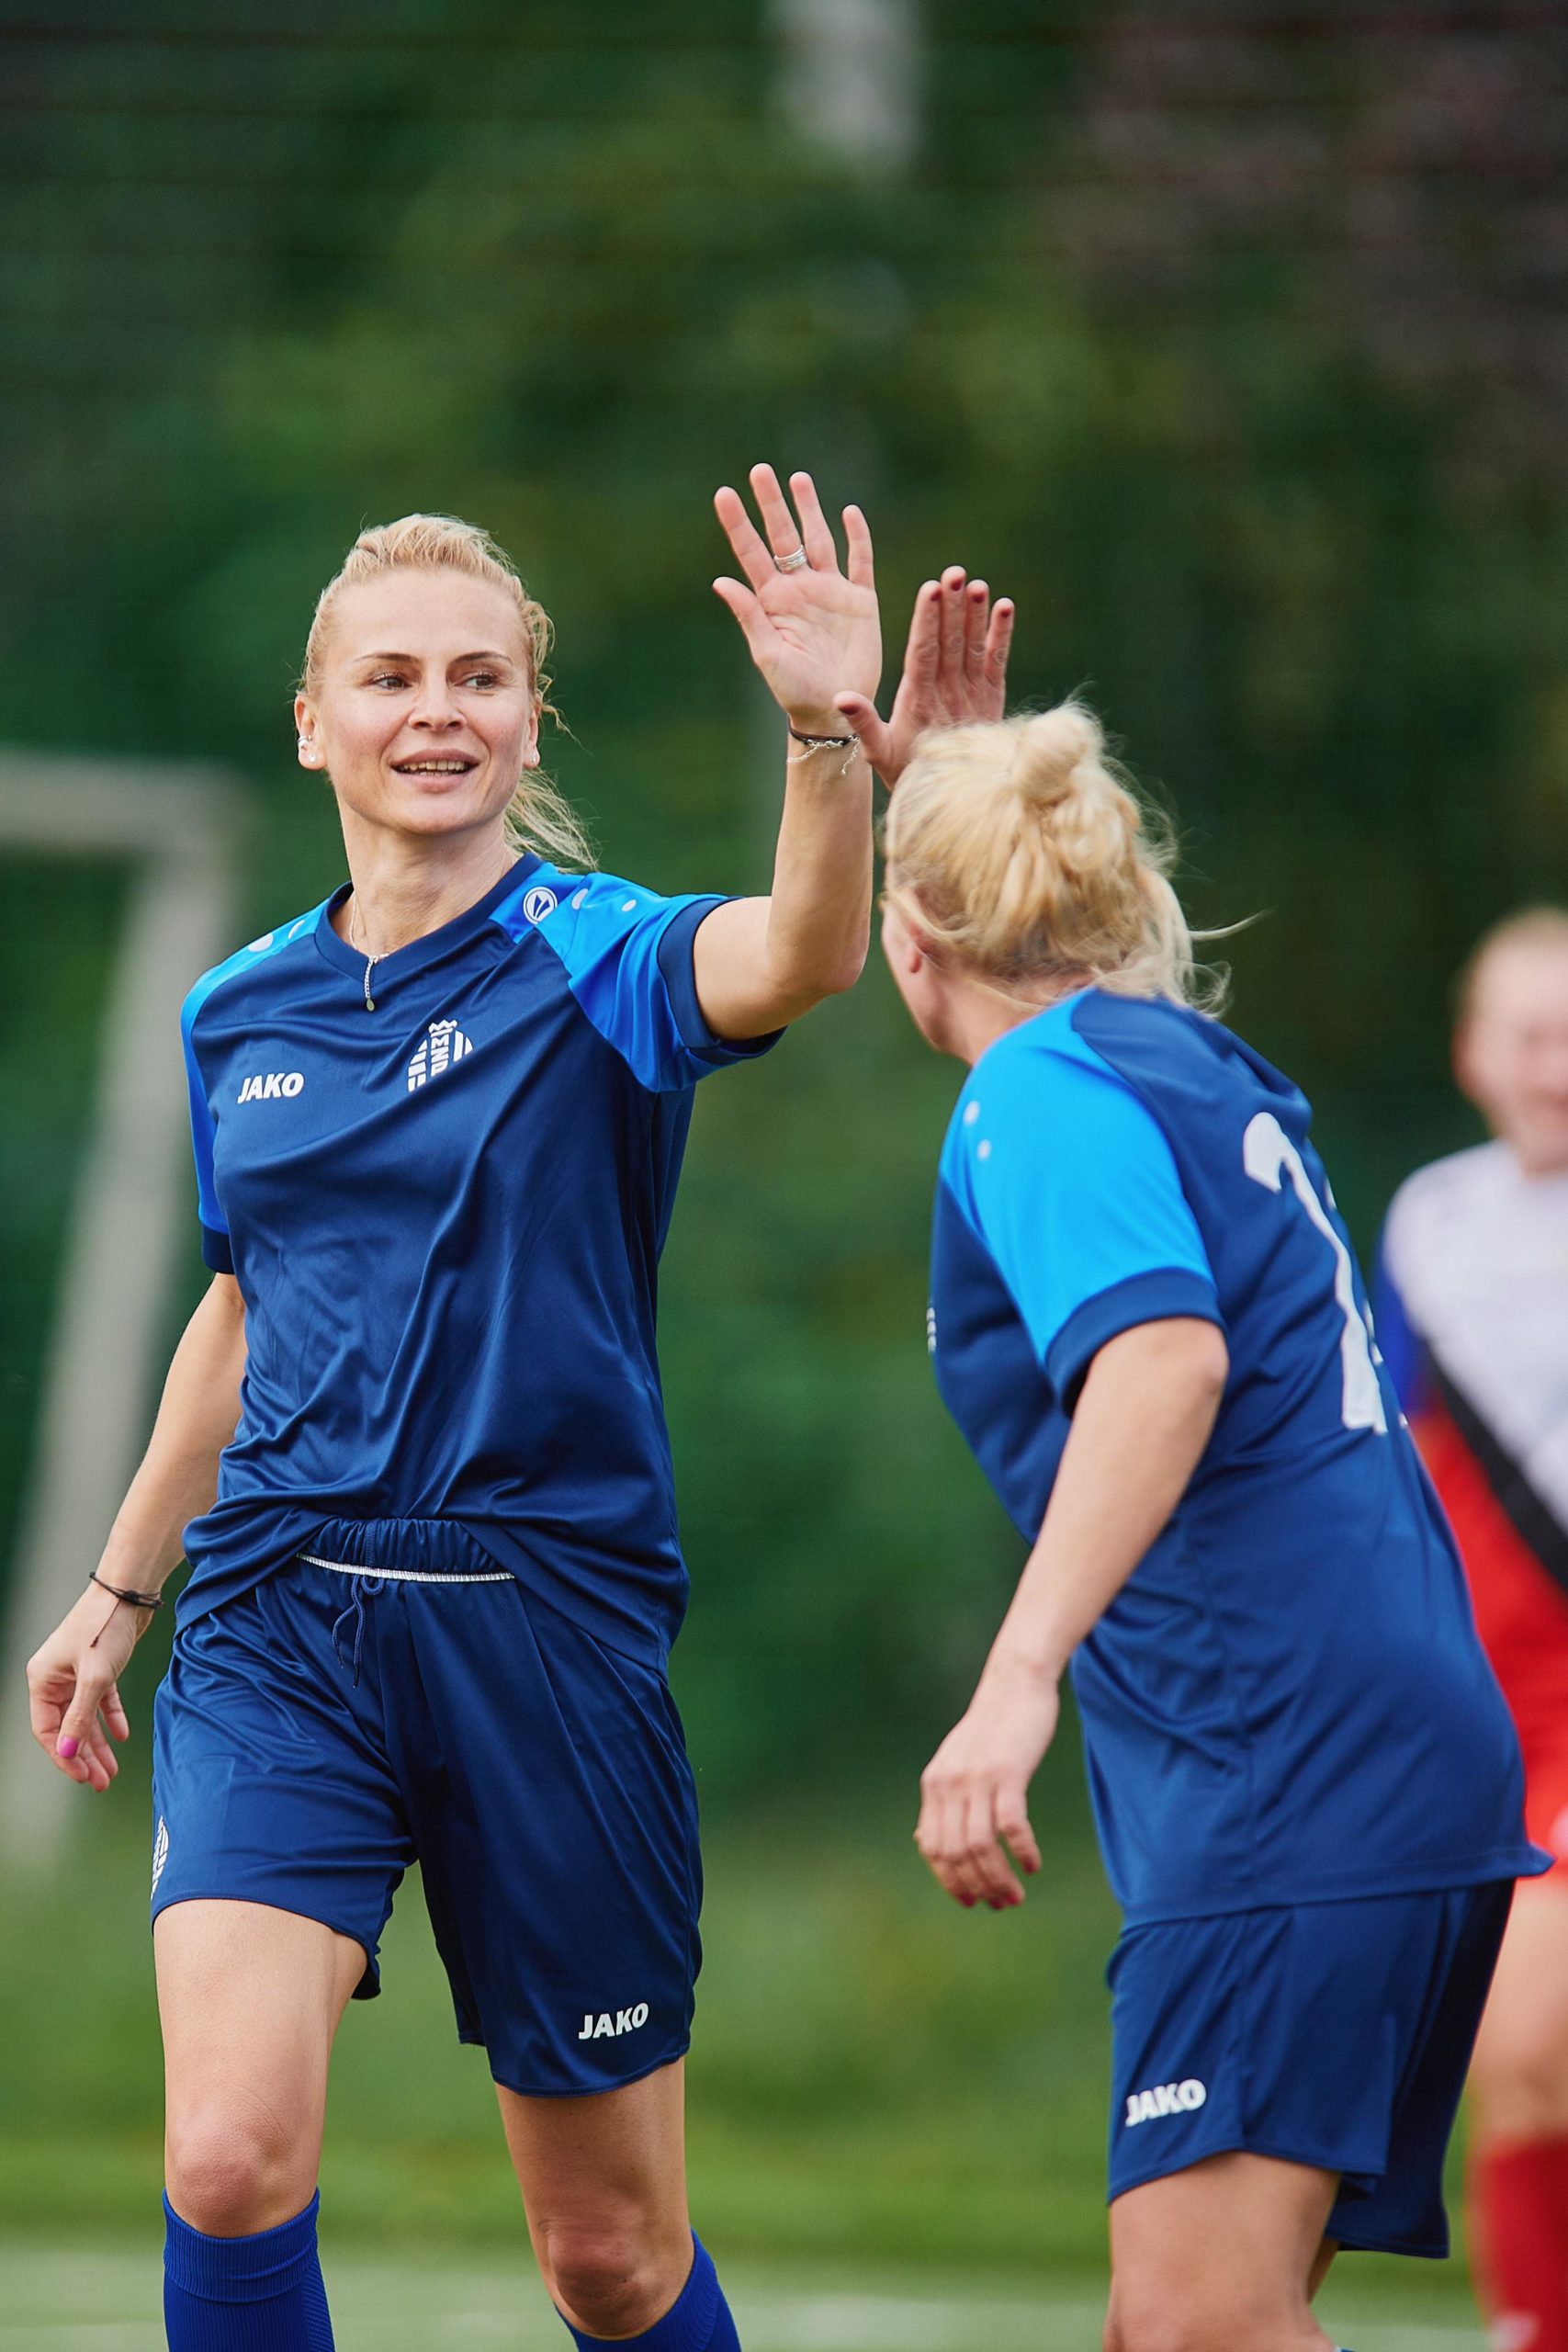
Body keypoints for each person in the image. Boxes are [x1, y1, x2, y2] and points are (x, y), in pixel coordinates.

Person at [22, 475, 1009, 2352]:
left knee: (609, 2256)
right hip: (280, 1615)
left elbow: (802, 952)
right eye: (389, 676)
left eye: (478, 676)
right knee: (225, 2155)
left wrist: (824, 734)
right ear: (311, 720)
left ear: (529, 720)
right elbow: (244, 1305)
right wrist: (117, 1587)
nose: (435, 709)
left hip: (544, 1625)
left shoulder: (597, 953)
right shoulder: (240, 1007)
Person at [856, 695, 1549, 2352]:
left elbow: (1165, 1363)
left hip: (1289, 1768)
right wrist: (954, 789)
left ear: (908, 940)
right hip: (1388, 1744)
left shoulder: (1037, 1091)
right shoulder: (1178, 1058)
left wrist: (1017, 1676)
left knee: (1199, 2326)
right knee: (1177, 2322)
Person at [1376, 908, 1568, 2352]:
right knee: (1520, 2070)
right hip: (1486, 1717)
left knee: (1529, 2038)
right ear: (1472, 1055)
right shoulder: (1429, 1222)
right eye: (1531, 1035)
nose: (1558, 1068)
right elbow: (1391, 1460)